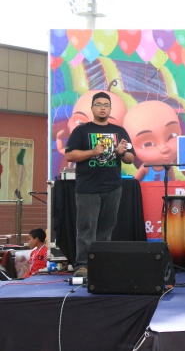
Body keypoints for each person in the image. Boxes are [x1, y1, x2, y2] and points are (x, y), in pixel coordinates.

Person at [64, 91, 135, 278]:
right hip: (87, 188)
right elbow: (70, 155)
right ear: (92, 108)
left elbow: (130, 158)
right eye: (98, 104)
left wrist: (121, 152)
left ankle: (102, 264)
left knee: (107, 228)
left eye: (106, 105)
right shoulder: (81, 131)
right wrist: (93, 152)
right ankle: (83, 265)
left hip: (113, 187)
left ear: (110, 109)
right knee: (86, 228)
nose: (102, 108)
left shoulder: (120, 132)